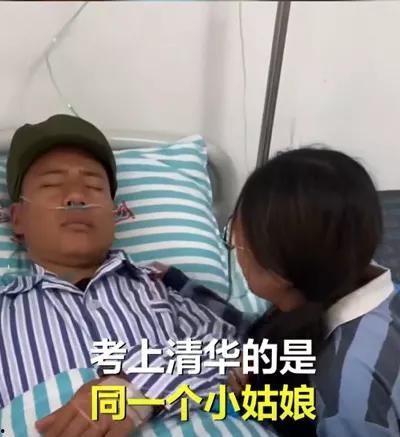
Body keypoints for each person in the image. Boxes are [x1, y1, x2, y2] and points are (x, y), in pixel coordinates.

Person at [0, 114, 245, 436]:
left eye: (93, 186)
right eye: (51, 185)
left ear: (114, 214)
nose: (76, 197)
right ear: (17, 218)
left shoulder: (164, 286)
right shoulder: (6, 311)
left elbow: (237, 353)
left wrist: (137, 389)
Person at [226, 148, 400, 436]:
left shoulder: (346, 392)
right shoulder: (349, 277)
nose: (235, 251)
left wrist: (253, 404)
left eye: (237, 240)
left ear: (279, 272)